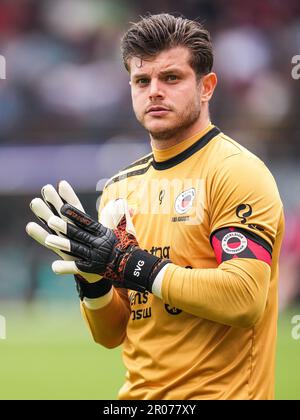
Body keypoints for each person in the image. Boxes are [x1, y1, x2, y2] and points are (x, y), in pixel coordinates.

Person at [26, 13, 284, 400]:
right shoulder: (118, 189)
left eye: (172, 78)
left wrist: (130, 264)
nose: (154, 91)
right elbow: (111, 334)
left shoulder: (235, 171)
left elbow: (244, 298)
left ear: (207, 86)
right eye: (142, 80)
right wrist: (92, 277)